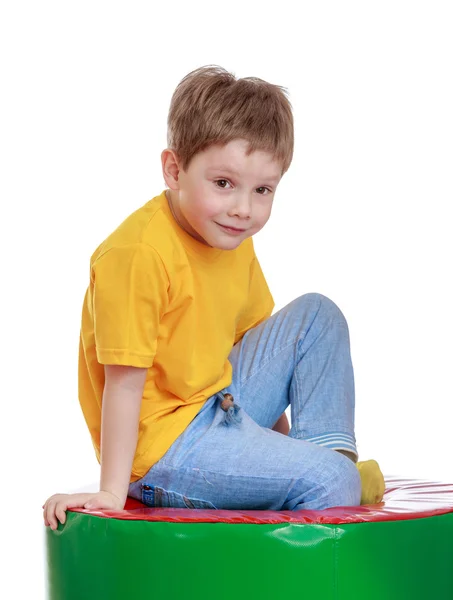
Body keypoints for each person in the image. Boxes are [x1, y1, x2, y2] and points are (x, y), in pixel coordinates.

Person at [43, 65, 384, 530]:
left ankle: (332, 459)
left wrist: (285, 453)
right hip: (163, 449)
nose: (244, 208)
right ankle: (336, 481)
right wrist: (111, 490)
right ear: (174, 169)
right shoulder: (138, 254)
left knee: (318, 316)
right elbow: (123, 382)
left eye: (262, 190)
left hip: (218, 401)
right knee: (330, 483)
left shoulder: (229, 234)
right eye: (223, 184)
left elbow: (258, 352)